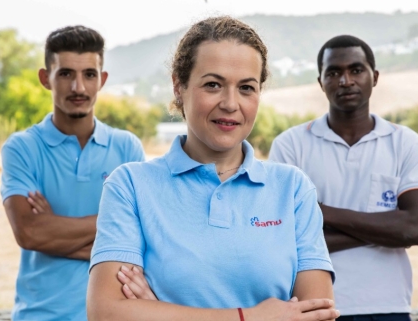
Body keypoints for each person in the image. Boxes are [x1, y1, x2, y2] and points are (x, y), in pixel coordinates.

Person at [86, 16, 340, 321]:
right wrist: (251, 317)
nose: (231, 103)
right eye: (213, 85)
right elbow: (107, 313)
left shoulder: (293, 188)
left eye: (246, 87)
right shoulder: (130, 185)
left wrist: (158, 310)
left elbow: (318, 315)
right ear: (179, 86)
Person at [269, 35, 418, 321]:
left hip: (388, 306)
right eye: (333, 72)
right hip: (314, 307)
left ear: (375, 76)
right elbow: (285, 239)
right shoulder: (290, 145)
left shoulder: (406, 143)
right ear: (320, 82)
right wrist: (383, 231)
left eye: (356, 70)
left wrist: (321, 212)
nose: (346, 80)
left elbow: (413, 230)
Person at [0, 25, 145, 321]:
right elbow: (28, 232)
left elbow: (142, 238)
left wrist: (53, 229)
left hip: (112, 314)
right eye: (66, 74)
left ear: (102, 80)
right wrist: (110, 233)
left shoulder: (127, 147)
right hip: (39, 314)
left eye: (89, 75)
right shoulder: (22, 148)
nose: (78, 88)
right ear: (46, 78)